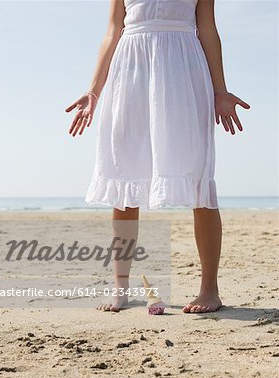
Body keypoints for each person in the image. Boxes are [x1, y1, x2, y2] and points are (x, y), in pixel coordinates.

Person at [65, 0, 250, 313]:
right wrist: (94, 91)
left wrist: (220, 91)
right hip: (130, 71)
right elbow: (113, 31)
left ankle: (209, 290)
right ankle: (121, 288)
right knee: (124, 176)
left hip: (183, 70)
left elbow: (207, 29)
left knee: (198, 176)